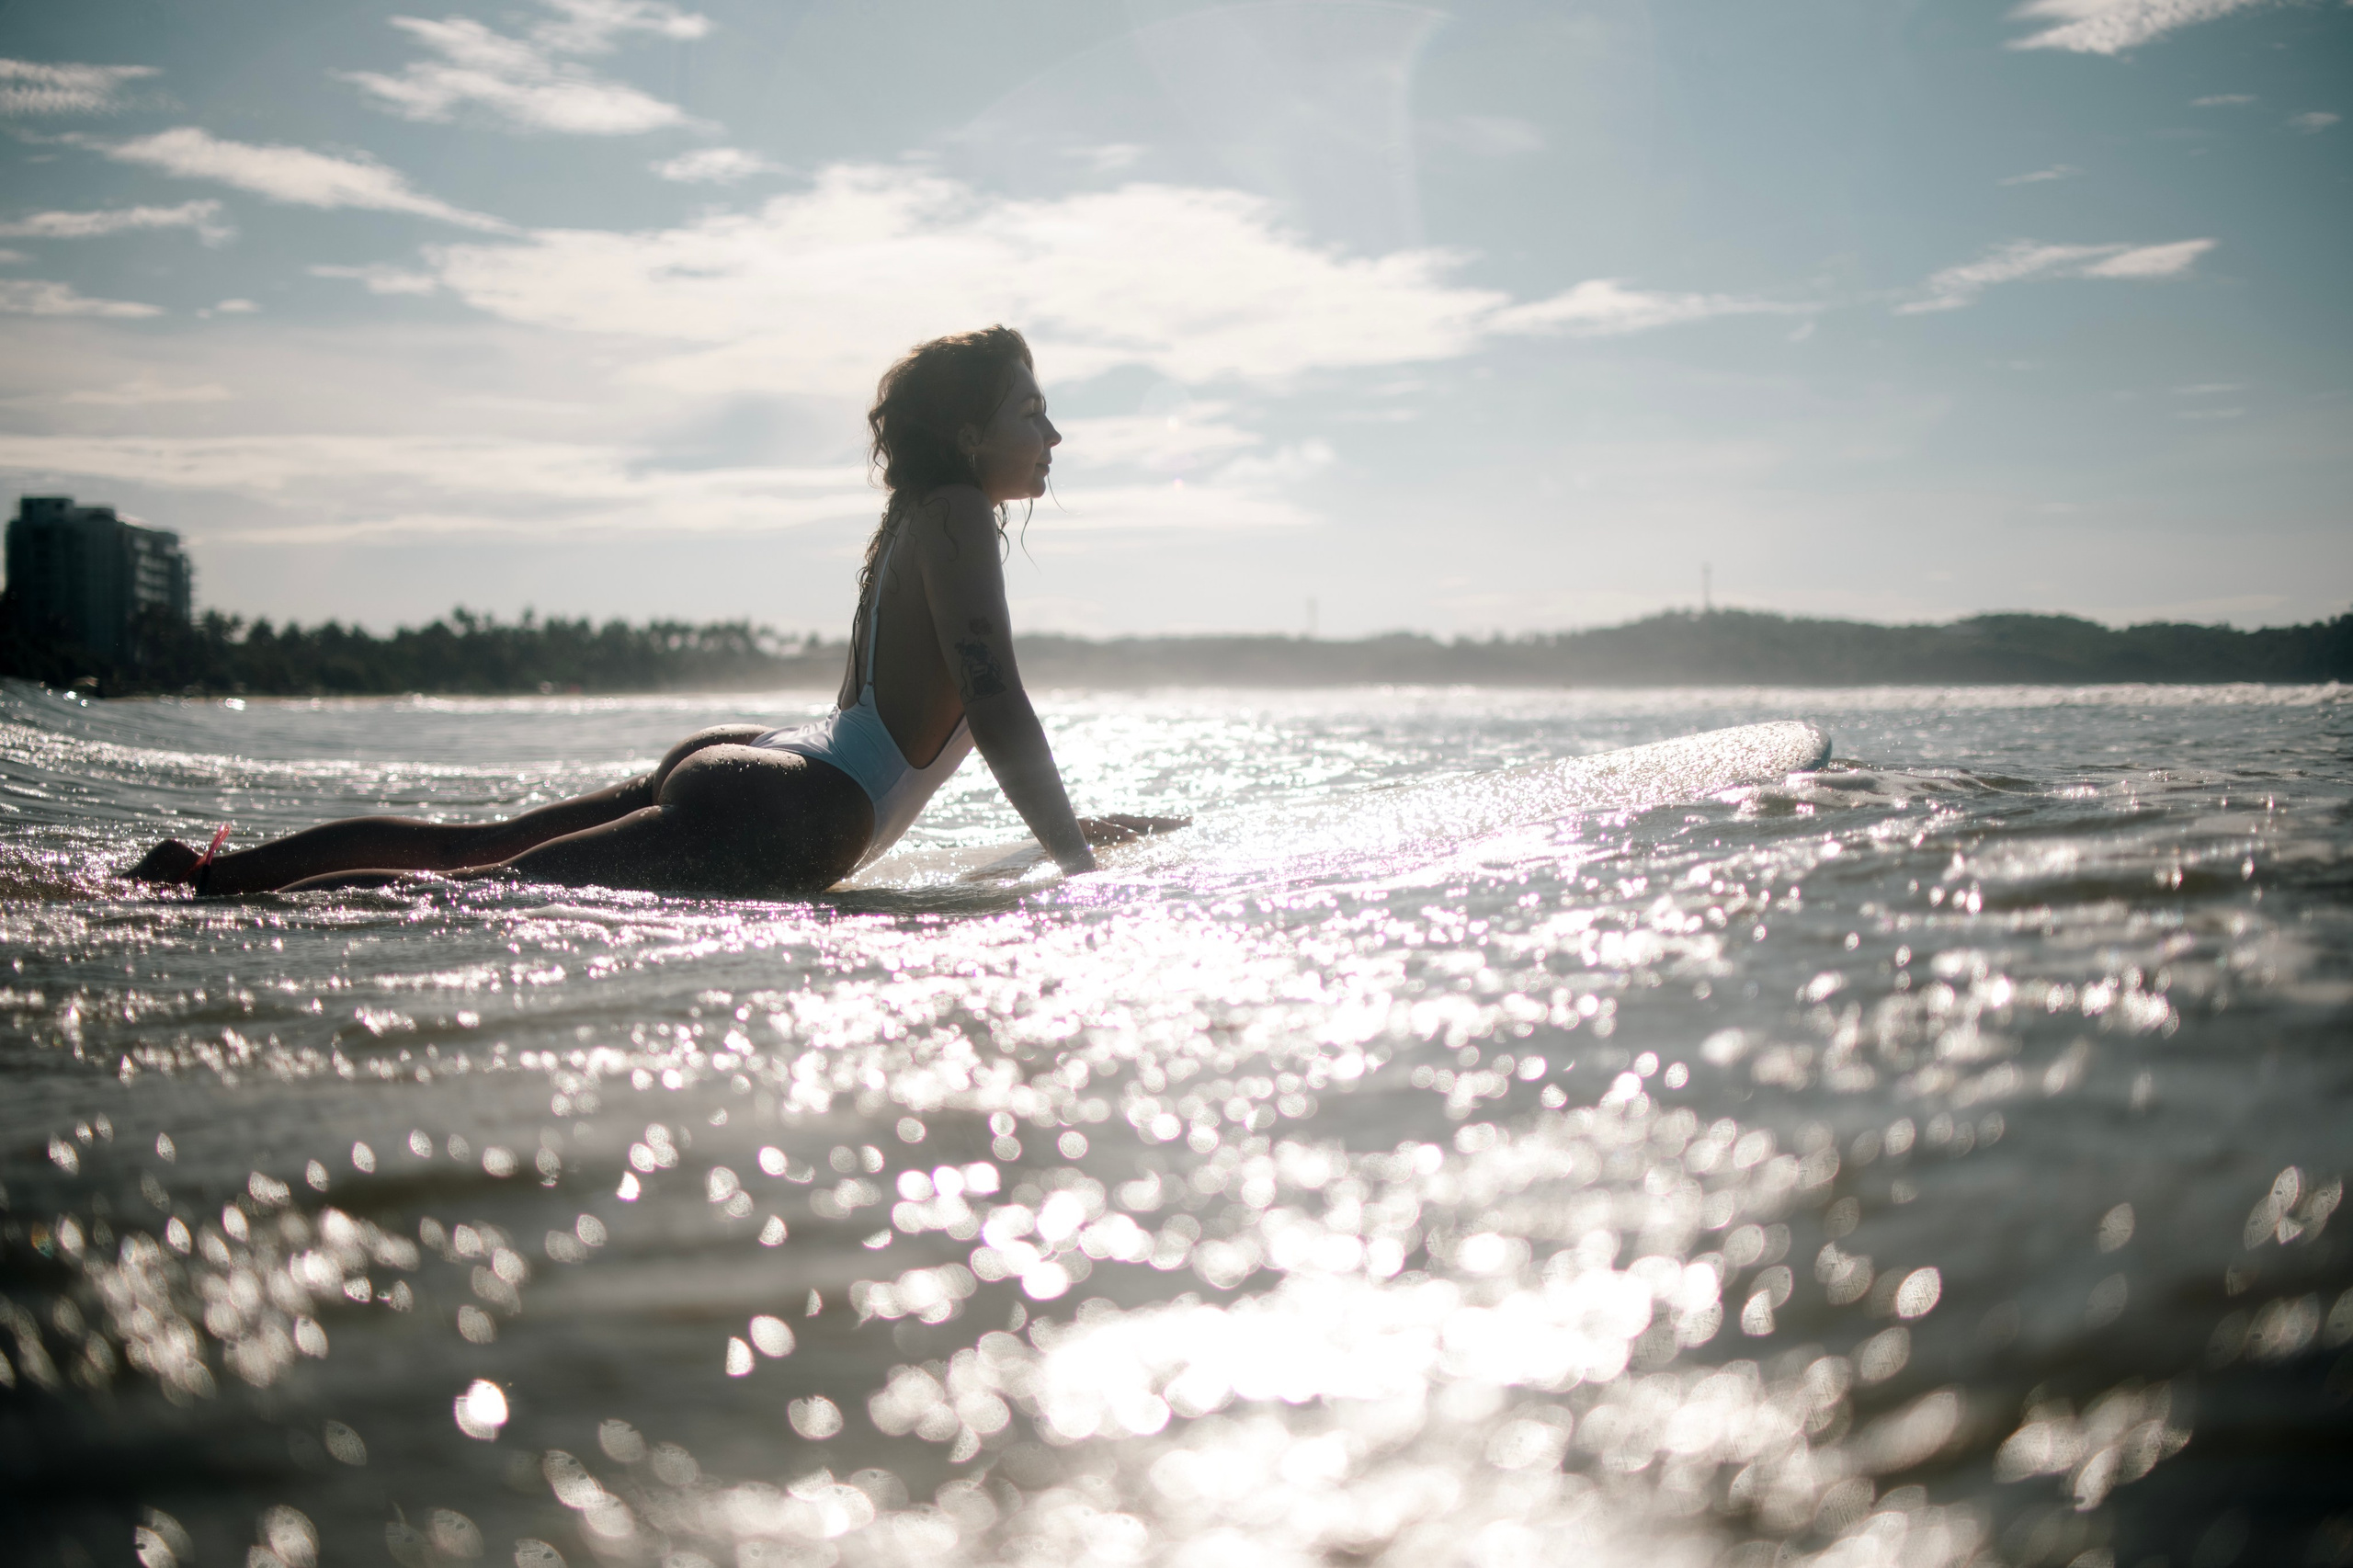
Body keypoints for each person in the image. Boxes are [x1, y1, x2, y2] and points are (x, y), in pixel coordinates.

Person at [123, 326, 1180, 898]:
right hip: (791, 803)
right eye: (1030, 410)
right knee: (474, 891)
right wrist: (1081, 872)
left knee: (474, 854)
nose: (1054, 432)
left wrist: (1068, 832)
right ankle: (201, 901)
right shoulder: (954, 513)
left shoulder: (917, 513)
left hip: (770, 768)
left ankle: (212, 876)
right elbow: (996, 706)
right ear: (963, 437)